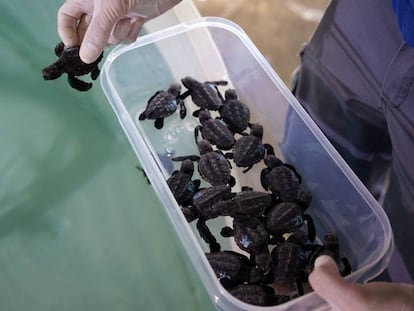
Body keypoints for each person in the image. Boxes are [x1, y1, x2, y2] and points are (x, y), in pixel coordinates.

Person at [57, 0, 414, 309]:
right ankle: (337, 250)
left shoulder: (246, 190)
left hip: (255, 197)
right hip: (381, 13)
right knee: (312, 148)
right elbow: (248, 178)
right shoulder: (246, 189)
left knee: (398, 252)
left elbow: (246, 179)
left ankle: (362, 269)